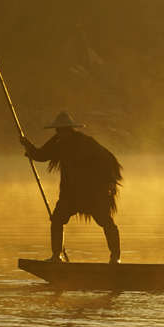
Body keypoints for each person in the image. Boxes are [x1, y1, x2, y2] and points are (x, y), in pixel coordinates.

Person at [20, 111, 123, 264]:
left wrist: (108, 182)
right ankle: (56, 256)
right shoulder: (58, 142)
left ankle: (115, 258)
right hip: (70, 195)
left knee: (106, 222)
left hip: (91, 193)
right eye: (58, 130)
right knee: (57, 220)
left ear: (70, 129)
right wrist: (26, 144)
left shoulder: (86, 142)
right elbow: (41, 155)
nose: (60, 133)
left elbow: (108, 160)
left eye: (63, 130)